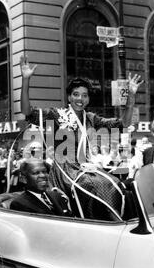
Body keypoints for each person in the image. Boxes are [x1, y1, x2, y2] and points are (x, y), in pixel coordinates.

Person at [20, 54, 144, 208]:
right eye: (76, 94)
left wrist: (131, 96)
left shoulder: (92, 118)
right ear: (69, 97)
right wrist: (26, 80)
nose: (80, 99)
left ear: (88, 99)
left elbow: (123, 123)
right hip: (64, 170)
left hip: (86, 167)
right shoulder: (56, 114)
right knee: (92, 186)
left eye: (84, 95)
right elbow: (27, 111)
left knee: (115, 184)